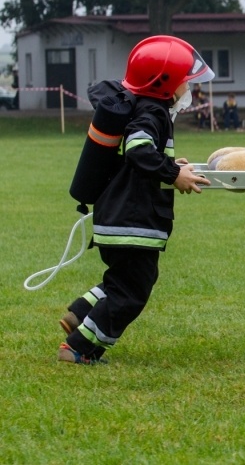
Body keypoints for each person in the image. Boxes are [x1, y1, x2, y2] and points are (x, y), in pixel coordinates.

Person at [57, 35, 213, 364]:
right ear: (165, 83)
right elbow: (139, 150)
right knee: (132, 292)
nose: (189, 90)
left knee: (122, 282)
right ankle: (78, 346)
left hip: (121, 220)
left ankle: (80, 312)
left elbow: (141, 156)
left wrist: (172, 164)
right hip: (132, 222)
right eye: (185, 82)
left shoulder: (144, 109)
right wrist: (173, 175)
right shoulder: (152, 114)